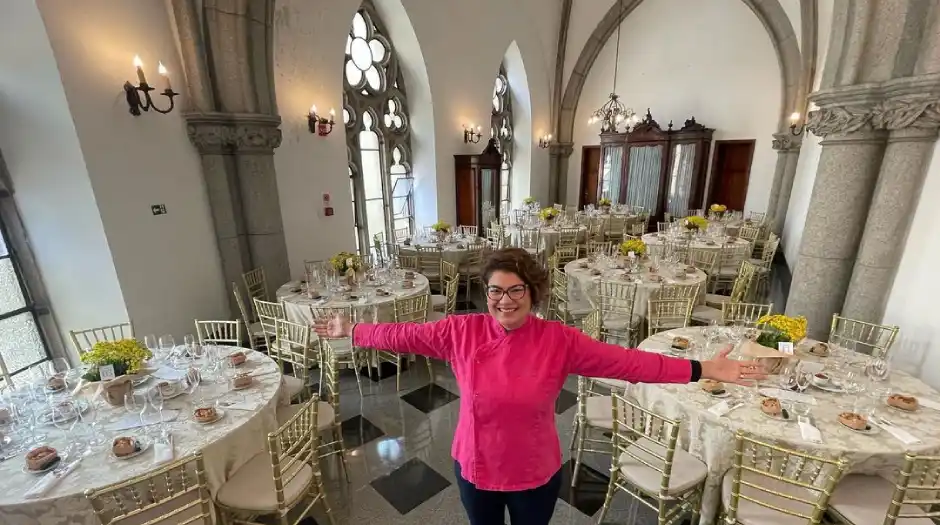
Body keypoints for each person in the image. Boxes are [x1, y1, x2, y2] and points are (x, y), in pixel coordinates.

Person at [314, 247, 765, 525]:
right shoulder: (461, 331)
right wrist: (351, 329)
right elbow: (402, 335)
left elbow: (628, 363)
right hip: (475, 467)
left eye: (515, 291)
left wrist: (700, 369)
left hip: (535, 472)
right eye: (495, 291)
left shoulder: (558, 340)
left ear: (532, 292)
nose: (504, 301)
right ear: (485, 292)